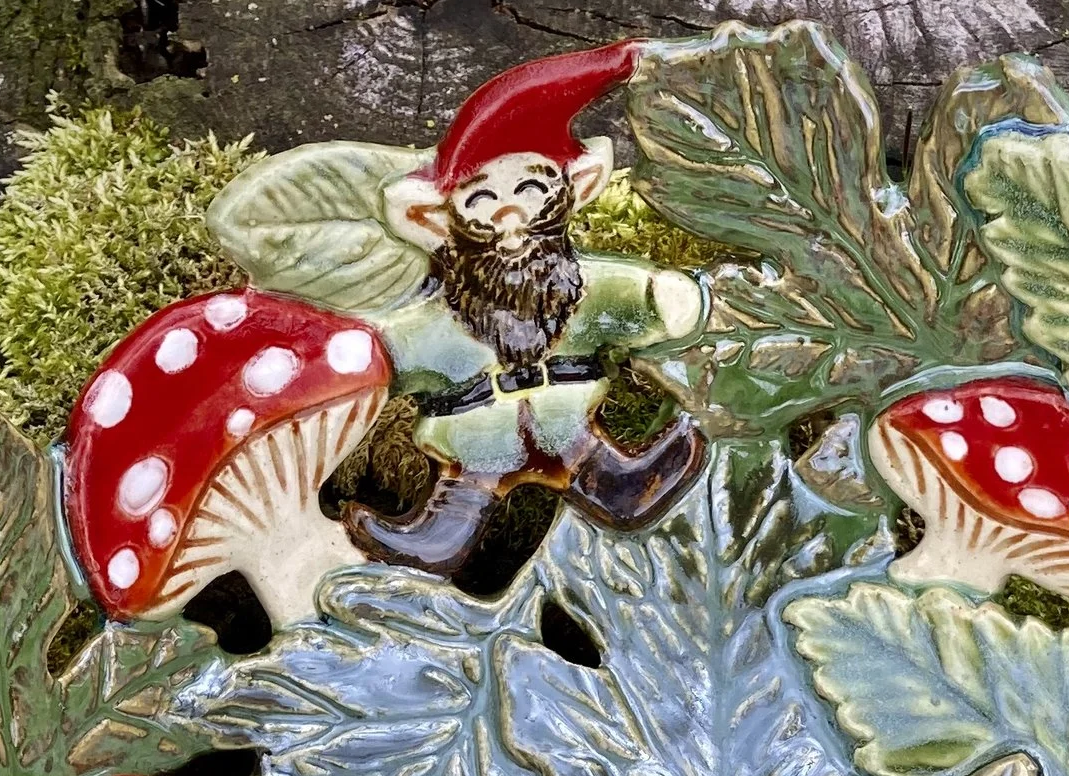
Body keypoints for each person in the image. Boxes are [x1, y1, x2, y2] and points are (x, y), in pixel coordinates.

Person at [210, 42, 708, 576]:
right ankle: (437, 540)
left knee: (603, 475)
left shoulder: (583, 287)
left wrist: (663, 300)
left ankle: (630, 488)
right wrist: (374, 356)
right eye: (482, 200)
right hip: (475, 429)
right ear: (431, 221)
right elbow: (405, 349)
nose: (510, 216)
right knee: (463, 501)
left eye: (531, 191)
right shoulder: (441, 313)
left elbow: (625, 298)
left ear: (577, 189)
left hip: (570, 418)